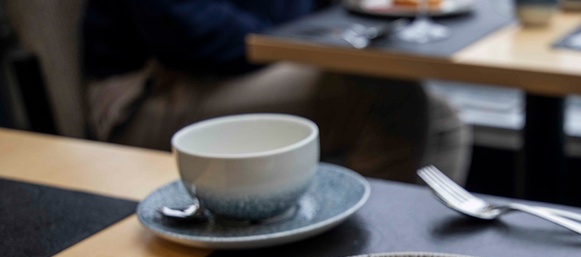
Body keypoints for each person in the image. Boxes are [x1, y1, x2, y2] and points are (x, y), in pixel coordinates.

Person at [81, 0, 471, 185]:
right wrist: (289, 41)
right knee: (390, 94)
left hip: (236, 64)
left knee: (442, 120)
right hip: (148, 91)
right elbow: (186, 31)